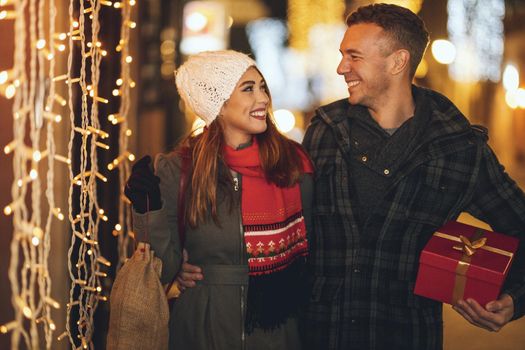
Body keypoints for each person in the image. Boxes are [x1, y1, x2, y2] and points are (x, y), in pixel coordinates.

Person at [299, 3, 525, 350]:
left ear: (397, 61)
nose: (341, 67)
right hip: (322, 335)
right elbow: (284, 221)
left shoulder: (459, 148)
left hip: (406, 336)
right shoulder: (324, 131)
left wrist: (515, 299)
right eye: (343, 55)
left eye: (354, 56)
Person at [124, 50, 314, 350]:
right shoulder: (180, 168)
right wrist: (149, 208)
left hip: (278, 331)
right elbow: (164, 265)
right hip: (202, 328)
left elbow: (313, 250)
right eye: (248, 89)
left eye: (262, 87)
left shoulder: (292, 163)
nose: (263, 98)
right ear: (219, 103)